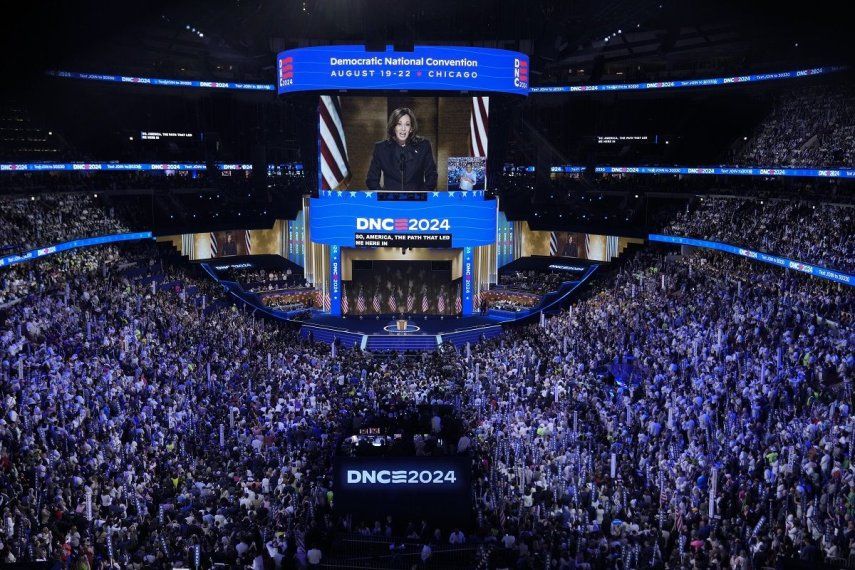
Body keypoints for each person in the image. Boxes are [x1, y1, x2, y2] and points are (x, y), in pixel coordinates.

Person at [366, 107, 438, 191]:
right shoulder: (381, 148)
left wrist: (420, 196)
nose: (403, 129)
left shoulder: (423, 146)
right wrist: (385, 197)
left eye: (407, 124)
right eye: (399, 124)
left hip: (417, 201)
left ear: (411, 128)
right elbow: (371, 180)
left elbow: (432, 177)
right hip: (390, 202)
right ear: (393, 127)